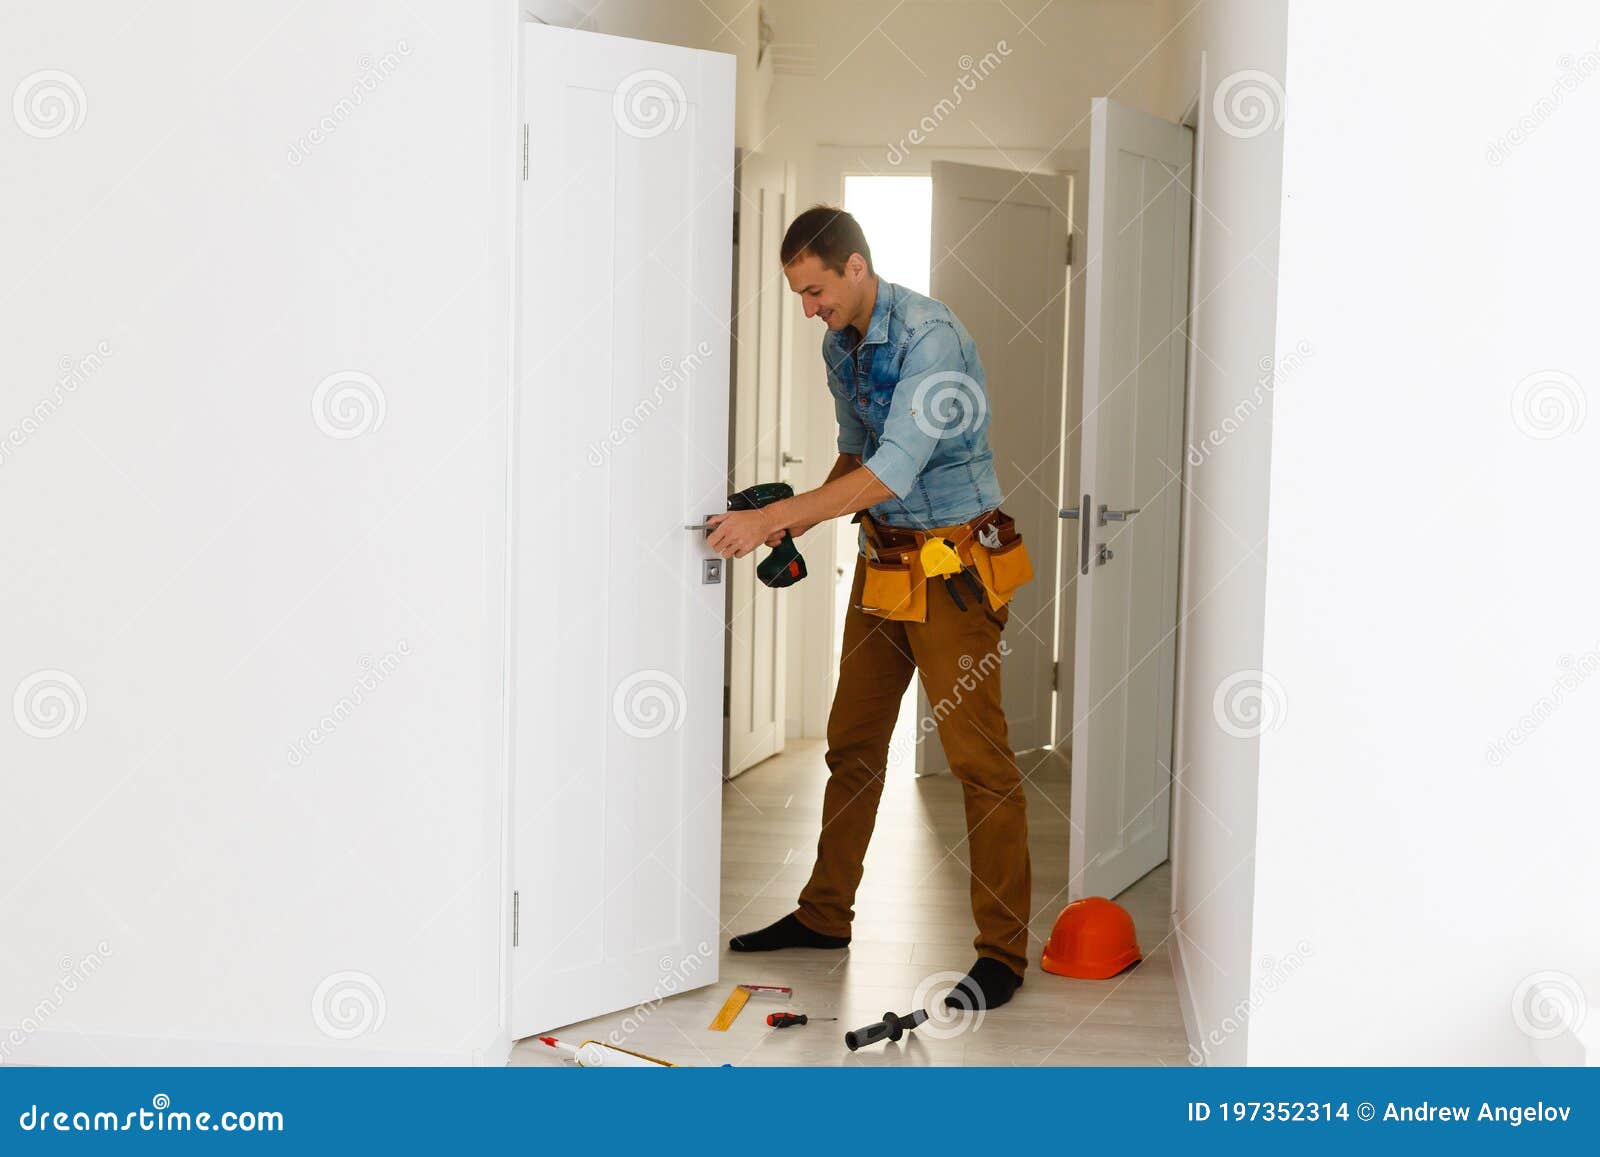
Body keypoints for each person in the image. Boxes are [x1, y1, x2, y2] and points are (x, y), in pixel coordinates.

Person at [705, 205, 1033, 1012]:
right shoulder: (838, 346)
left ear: (856, 266)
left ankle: (1003, 954)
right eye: (799, 296)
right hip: (886, 562)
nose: (808, 308)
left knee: (977, 762)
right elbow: (855, 451)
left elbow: (893, 467)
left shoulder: (932, 338)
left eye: (815, 289)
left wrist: (774, 519)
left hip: (954, 565)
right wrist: (805, 517)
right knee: (852, 743)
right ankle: (825, 916)